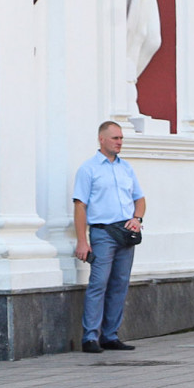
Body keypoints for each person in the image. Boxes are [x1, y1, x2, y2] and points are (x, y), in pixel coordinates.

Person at [72, 120, 145, 353]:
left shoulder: (126, 168)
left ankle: (110, 336)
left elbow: (139, 199)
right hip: (103, 233)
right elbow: (80, 205)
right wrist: (82, 241)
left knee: (120, 285)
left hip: (126, 233)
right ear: (101, 139)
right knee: (98, 284)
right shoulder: (88, 169)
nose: (120, 142)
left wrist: (137, 219)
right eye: (115, 138)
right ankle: (90, 337)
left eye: (121, 138)